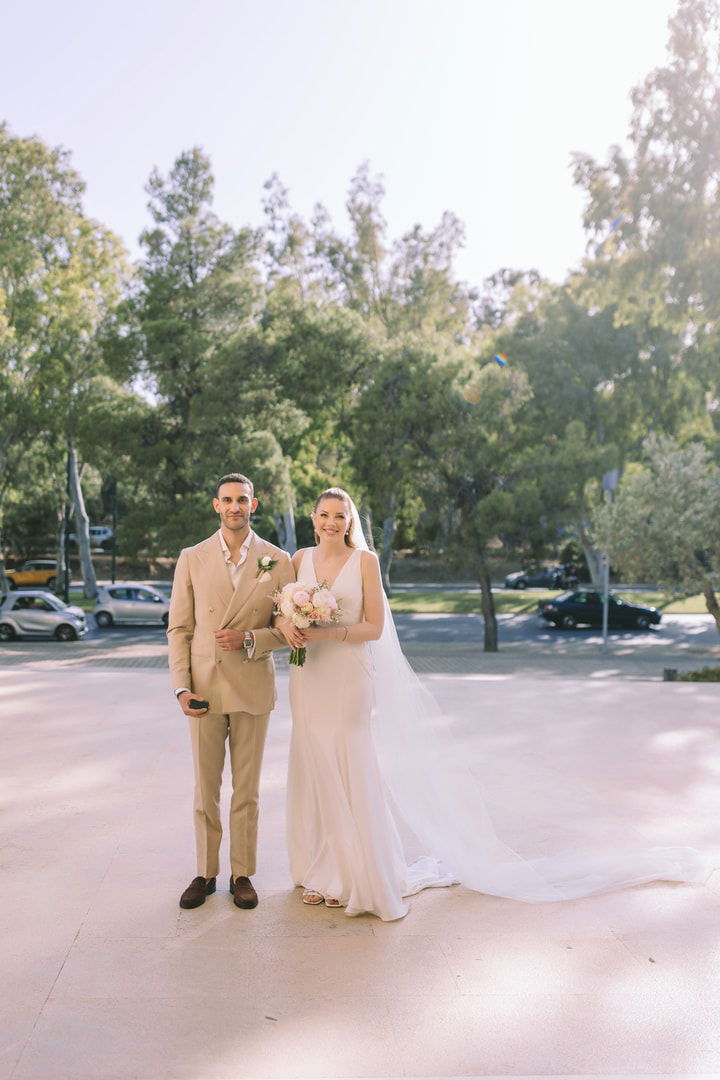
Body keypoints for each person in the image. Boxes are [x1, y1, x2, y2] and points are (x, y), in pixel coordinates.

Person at [282, 487, 712, 922]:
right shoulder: (300, 559)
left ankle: (354, 874)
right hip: (310, 675)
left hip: (348, 679)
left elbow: (373, 627)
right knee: (316, 764)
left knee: (349, 764)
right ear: (313, 517)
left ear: (350, 521)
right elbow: (280, 614)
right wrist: (291, 624)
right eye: (324, 515)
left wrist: (327, 632)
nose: (331, 522)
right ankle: (323, 869)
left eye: (339, 515)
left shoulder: (366, 563)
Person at [168, 472, 294, 911]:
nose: (235, 507)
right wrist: (182, 688)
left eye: (243, 499)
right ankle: (205, 873)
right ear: (216, 505)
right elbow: (179, 628)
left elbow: (287, 629)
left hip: (253, 685)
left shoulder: (278, 560)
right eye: (227, 500)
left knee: (248, 790)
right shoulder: (192, 556)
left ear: (253, 505)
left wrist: (249, 640)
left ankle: (243, 874)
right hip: (204, 689)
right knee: (206, 789)